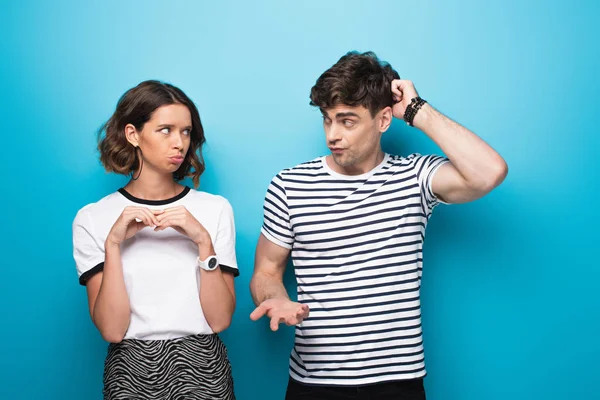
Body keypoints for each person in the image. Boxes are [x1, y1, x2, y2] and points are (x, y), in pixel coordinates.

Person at [250, 51, 508, 399]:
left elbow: (489, 172)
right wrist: (276, 298)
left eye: (347, 121)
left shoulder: (414, 176)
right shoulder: (290, 185)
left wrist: (418, 110)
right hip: (315, 383)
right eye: (327, 119)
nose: (332, 134)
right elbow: (266, 270)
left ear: (384, 119)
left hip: (398, 384)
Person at [72, 80, 238, 399]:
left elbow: (220, 320)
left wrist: (203, 241)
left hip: (204, 367)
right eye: (166, 130)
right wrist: (113, 245)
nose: (179, 143)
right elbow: (112, 329)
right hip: (129, 369)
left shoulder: (215, 210)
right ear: (133, 134)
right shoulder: (92, 218)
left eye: (186, 132)